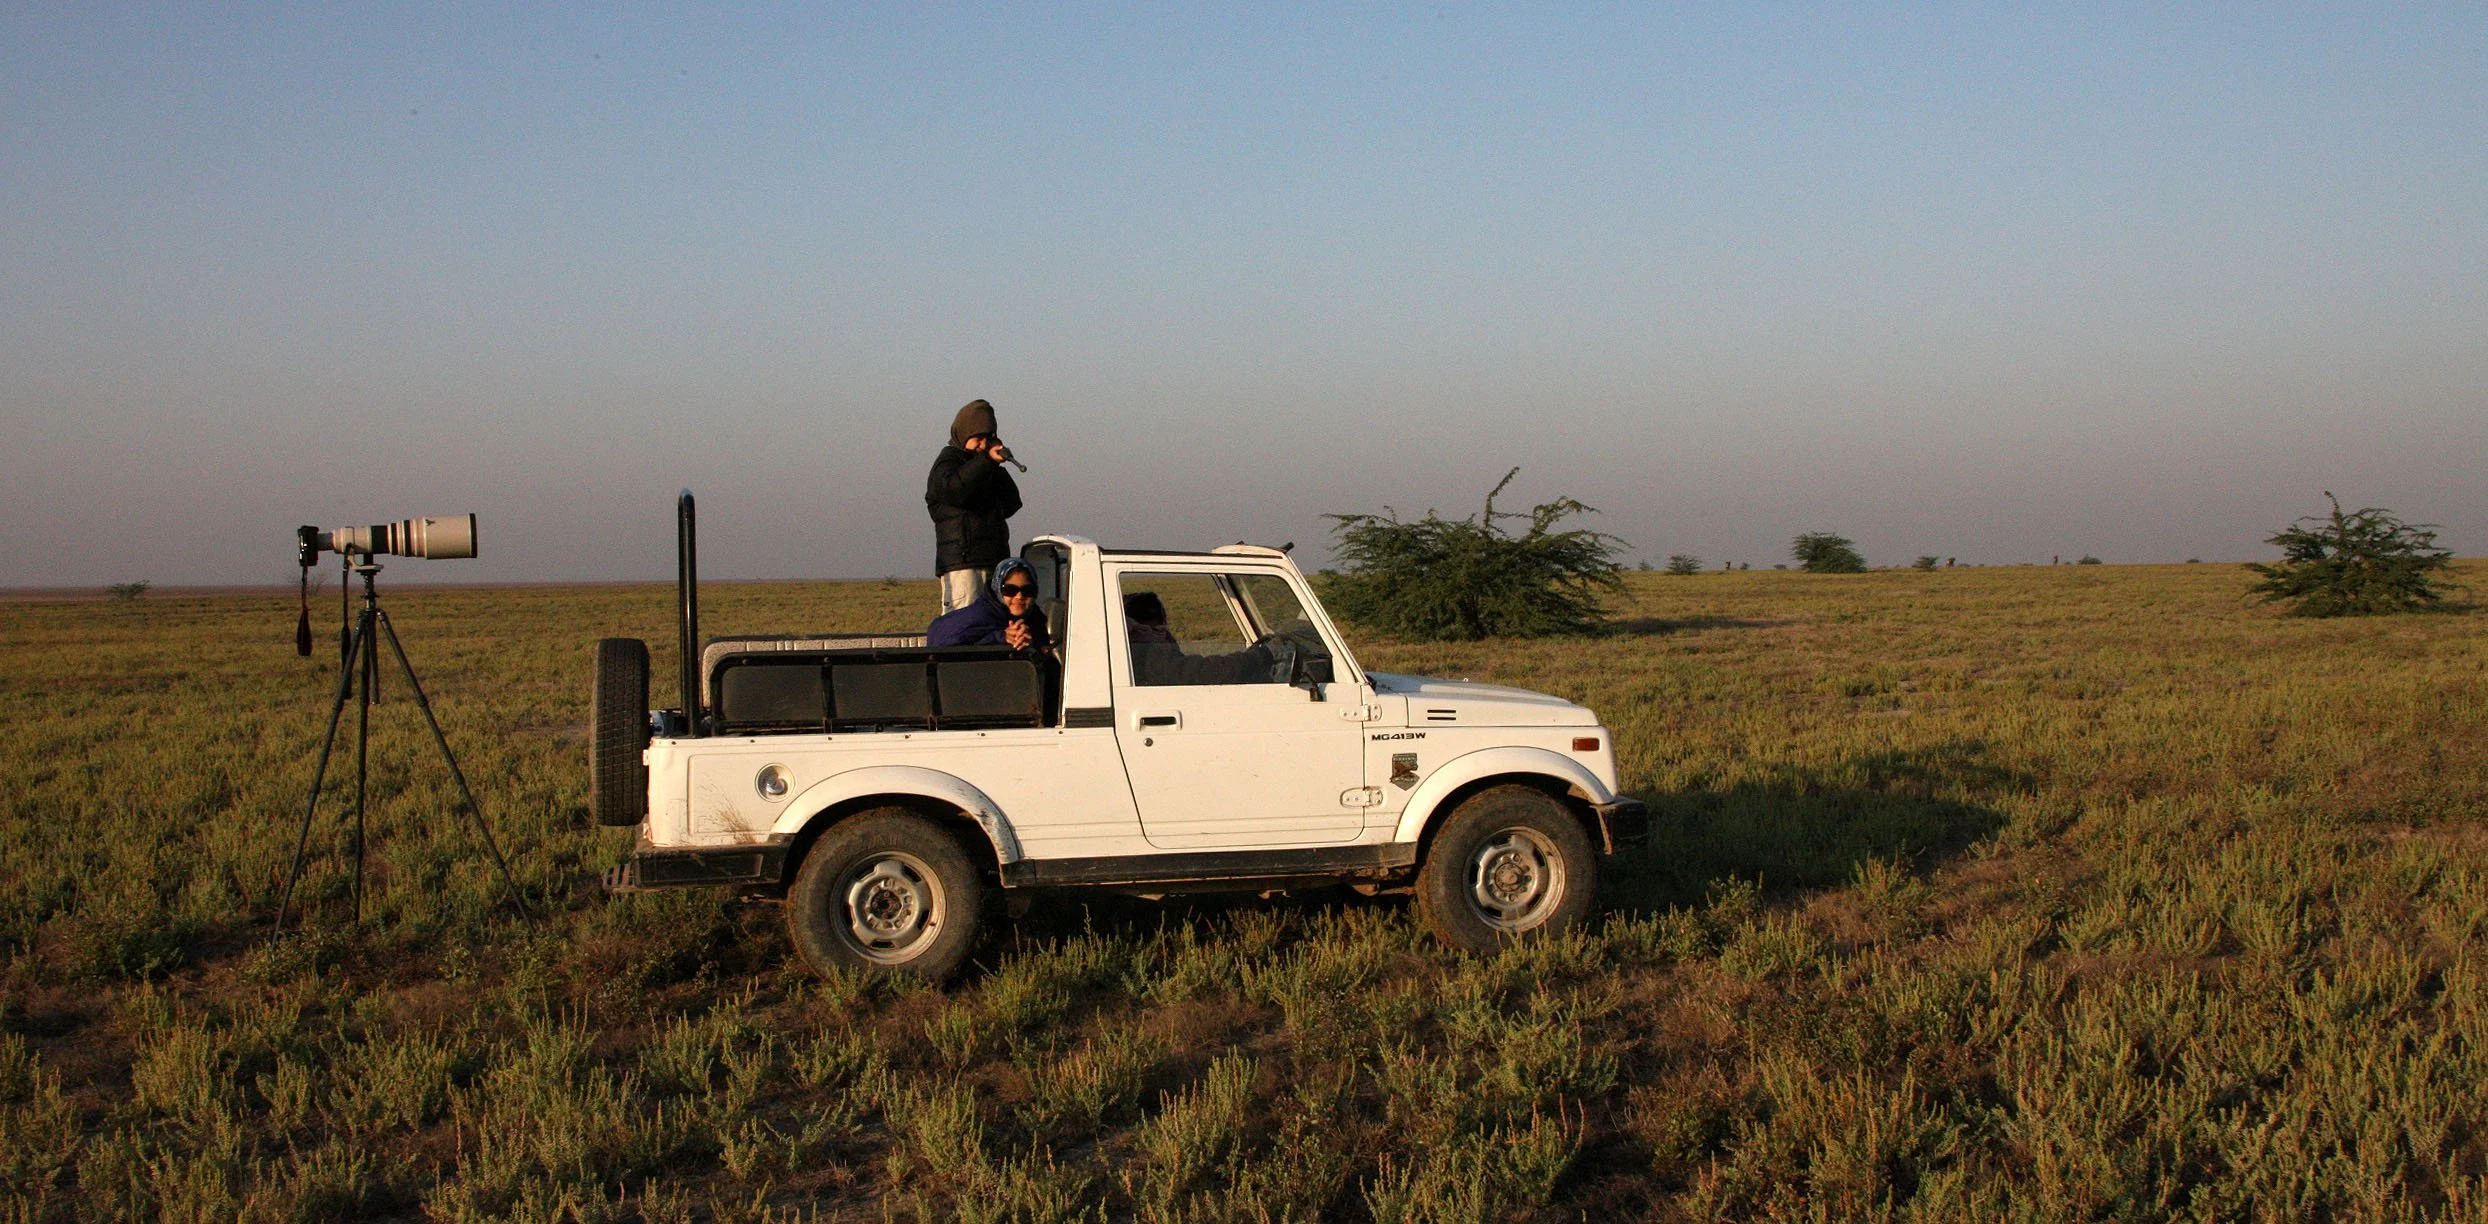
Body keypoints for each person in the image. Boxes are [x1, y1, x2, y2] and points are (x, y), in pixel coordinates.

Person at [925, 399, 1023, 614]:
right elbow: (955, 490)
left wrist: (995, 465)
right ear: (963, 434)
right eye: (977, 438)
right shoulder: (948, 462)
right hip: (963, 564)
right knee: (965, 623)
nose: (982, 444)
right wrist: (986, 462)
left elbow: (1011, 503)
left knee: (993, 624)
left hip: (993, 561)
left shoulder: (985, 466)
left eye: (987, 439)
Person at [1122, 591, 1271, 686]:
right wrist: (1261, 656)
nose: (1166, 634)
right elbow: (1204, 673)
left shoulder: (1130, 651)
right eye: (1160, 628)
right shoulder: (1146, 654)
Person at [928, 558, 1051, 653]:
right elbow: (941, 639)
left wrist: (1030, 642)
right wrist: (1000, 637)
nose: (1019, 596)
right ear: (998, 590)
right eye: (1010, 590)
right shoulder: (980, 614)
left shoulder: (1036, 618)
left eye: (1027, 590)